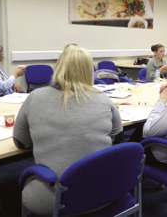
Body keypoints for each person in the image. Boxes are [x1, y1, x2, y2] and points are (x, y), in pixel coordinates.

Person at [13, 45, 122, 216]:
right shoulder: (103, 99)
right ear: (89, 70)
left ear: (59, 66)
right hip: (104, 193)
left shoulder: (35, 98)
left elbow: (21, 142)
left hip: (57, 200)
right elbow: (117, 136)